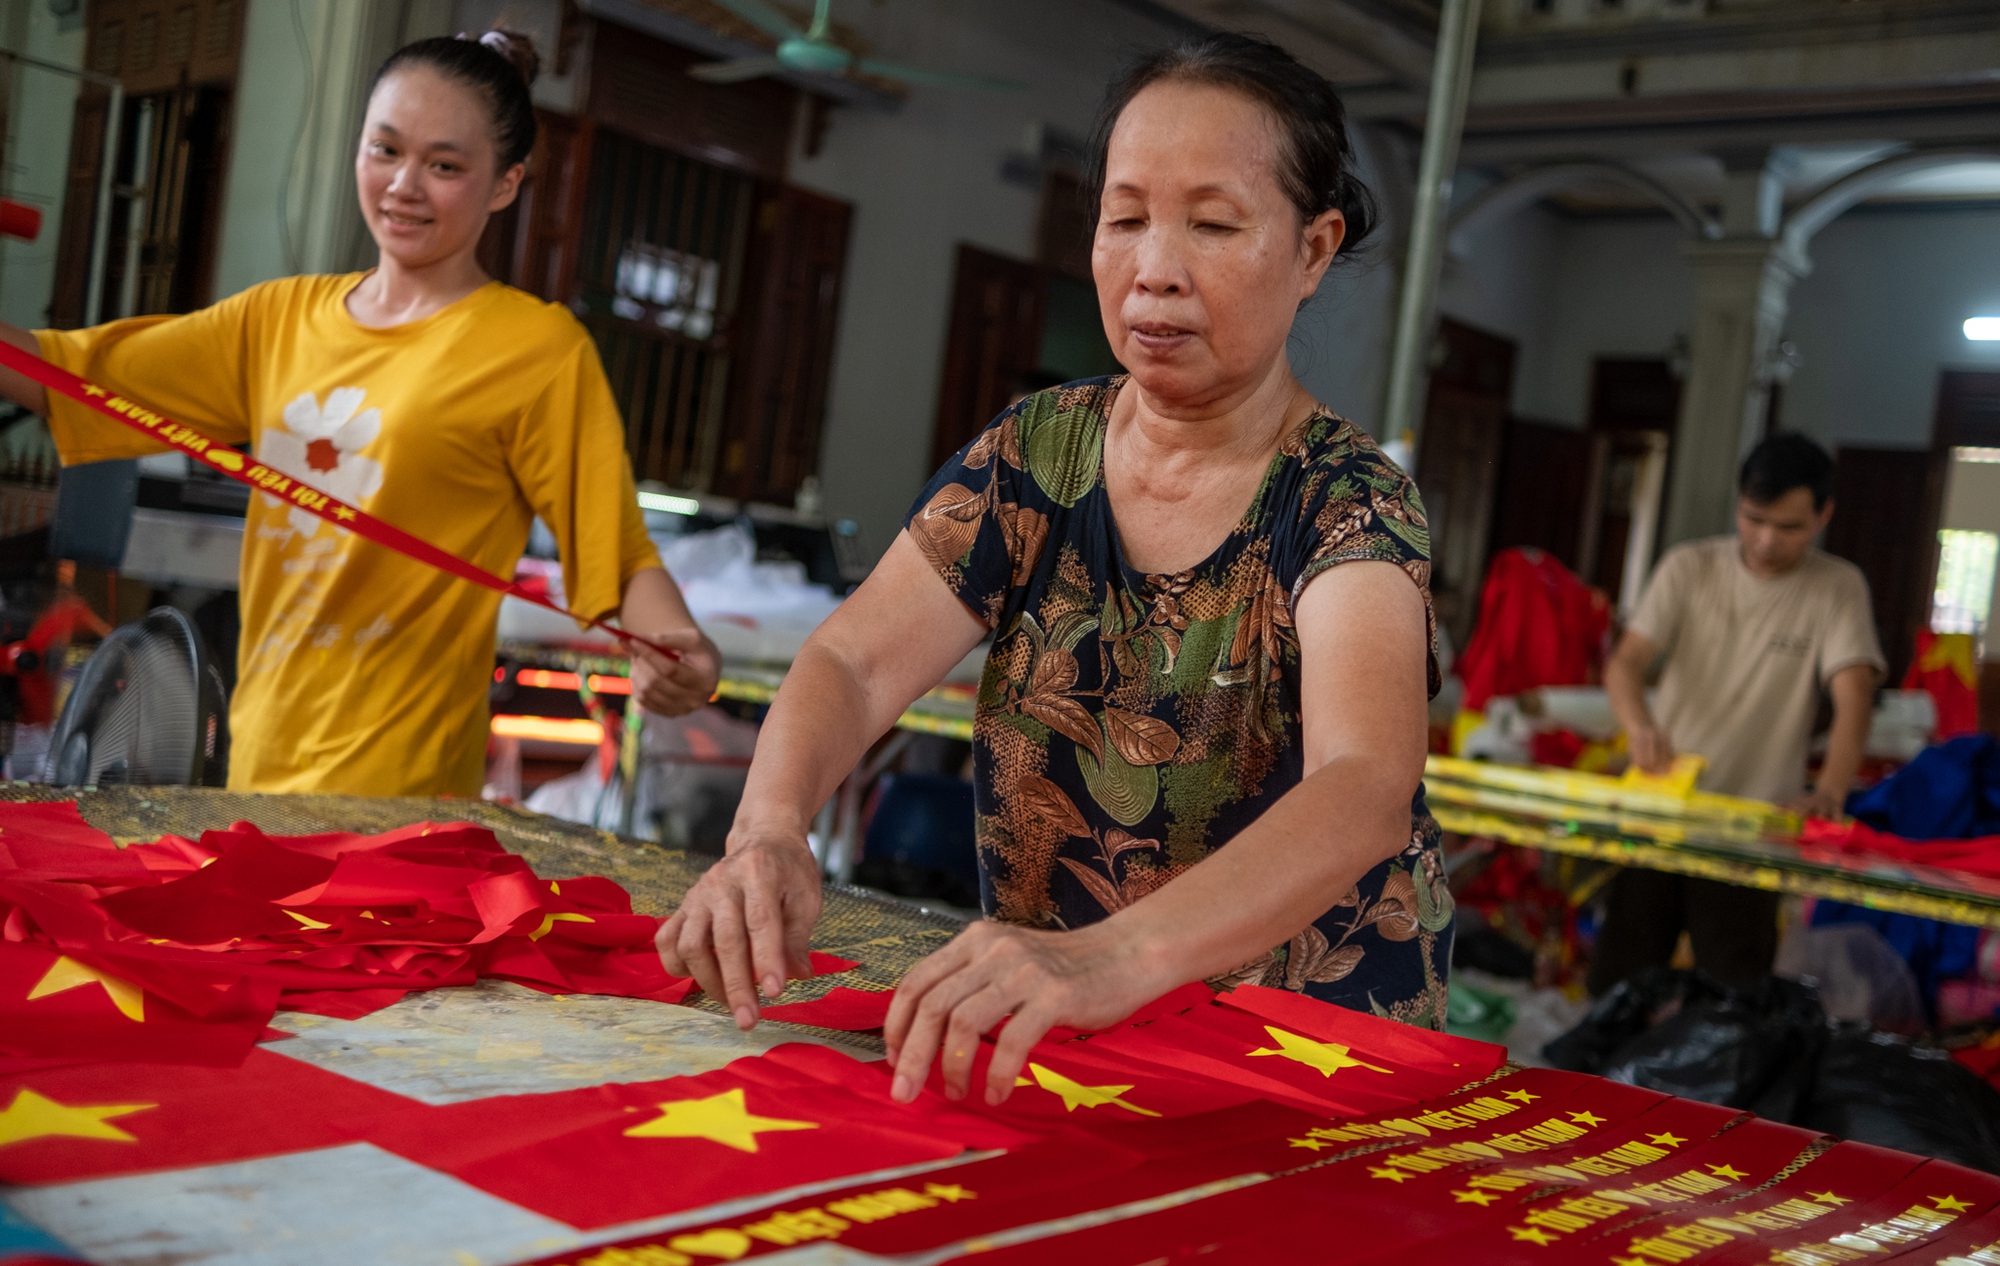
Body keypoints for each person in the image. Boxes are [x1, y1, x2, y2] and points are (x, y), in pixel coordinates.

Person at [659, 33, 1451, 1108]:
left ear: (1311, 251)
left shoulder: (1346, 501)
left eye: (1211, 225)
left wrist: (1109, 956)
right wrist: (767, 830)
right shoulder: (1037, 454)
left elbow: (1363, 787)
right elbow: (851, 658)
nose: (1153, 268)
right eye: (1123, 219)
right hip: (1066, 1040)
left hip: (1296, 1063)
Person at [0, 30, 719, 797]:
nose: (405, 185)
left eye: (444, 166)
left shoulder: (536, 349)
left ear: (505, 184)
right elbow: (71, 375)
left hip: (401, 793)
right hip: (259, 763)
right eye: (385, 150)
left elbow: (616, 550)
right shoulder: (277, 319)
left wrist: (683, 647)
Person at [1593, 431, 1884, 994]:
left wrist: (1832, 789)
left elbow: (1855, 698)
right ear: (1739, 504)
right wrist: (1640, 727)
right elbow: (1624, 664)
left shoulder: (1837, 587)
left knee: (1736, 993)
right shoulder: (1689, 567)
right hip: (1662, 811)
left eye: (1789, 527)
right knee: (1620, 980)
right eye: (1754, 519)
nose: (1766, 540)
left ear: (1824, 515)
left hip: (1752, 826)